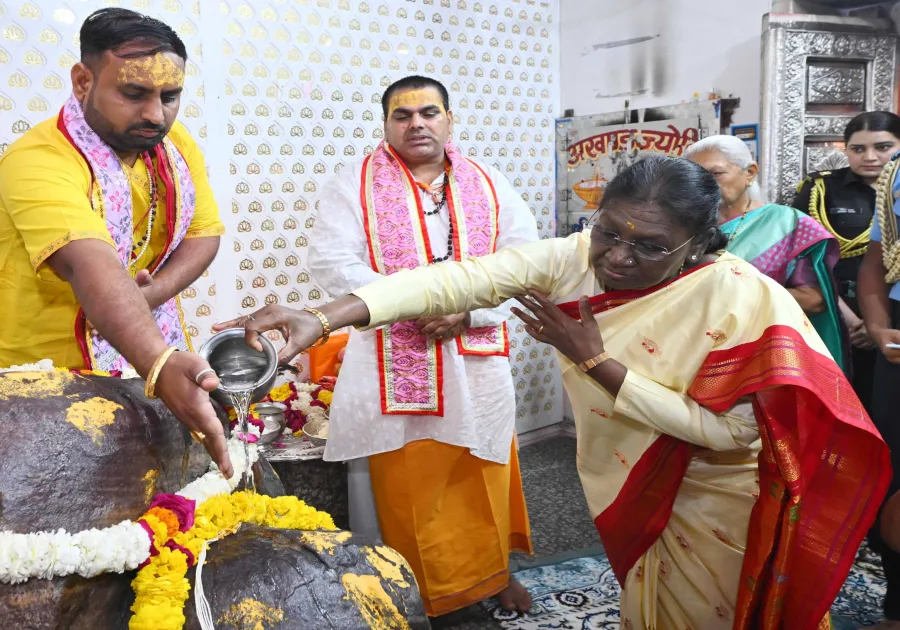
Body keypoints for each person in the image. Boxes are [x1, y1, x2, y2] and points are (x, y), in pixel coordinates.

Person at [219, 157, 889, 629]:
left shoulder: (743, 299)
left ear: (696, 242)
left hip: (717, 498)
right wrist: (325, 317)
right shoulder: (577, 256)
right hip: (628, 477)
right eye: (610, 232)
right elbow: (461, 278)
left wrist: (595, 363)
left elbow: (731, 434)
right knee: (647, 607)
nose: (618, 258)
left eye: (648, 246)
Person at [0, 8, 232, 475]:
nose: (155, 115)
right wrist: (158, 362)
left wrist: (149, 296)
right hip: (31, 367)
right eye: (134, 94)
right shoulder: (37, 159)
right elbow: (87, 263)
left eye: (170, 96)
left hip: (130, 340)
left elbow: (204, 234)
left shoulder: (176, 147)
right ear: (82, 81)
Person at [306, 75, 539, 616]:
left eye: (428, 113)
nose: (416, 124)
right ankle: (411, 592)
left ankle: (494, 574)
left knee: (484, 470)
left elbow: (524, 260)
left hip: (476, 358)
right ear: (386, 124)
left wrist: (470, 309)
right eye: (402, 115)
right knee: (406, 482)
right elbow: (331, 261)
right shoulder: (354, 182)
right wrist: (416, 303)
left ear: (449, 119)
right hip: (394, 354)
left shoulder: (487, 181)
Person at [684, 136, 845, 370]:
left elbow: (814, 301)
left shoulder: (788, 224)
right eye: (696, 177)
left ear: (750, 172)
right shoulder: (681, 226)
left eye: (715, 174)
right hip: (689, 348)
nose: (705, 184)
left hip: (761, 353)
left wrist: (733, 292)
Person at [794, 111, 900, 404]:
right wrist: (851, 320)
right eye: (858, 149)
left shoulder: (896, 192)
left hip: (892, 309)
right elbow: (804, 258)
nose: (870, 157)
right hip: (834, 308)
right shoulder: (821, 189)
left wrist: (877, 320)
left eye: (883, 147)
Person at [861, 149, 900, 628]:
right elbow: (877, 259)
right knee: (893, 473)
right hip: (897, 342)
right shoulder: (896, 169)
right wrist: (877, 324)